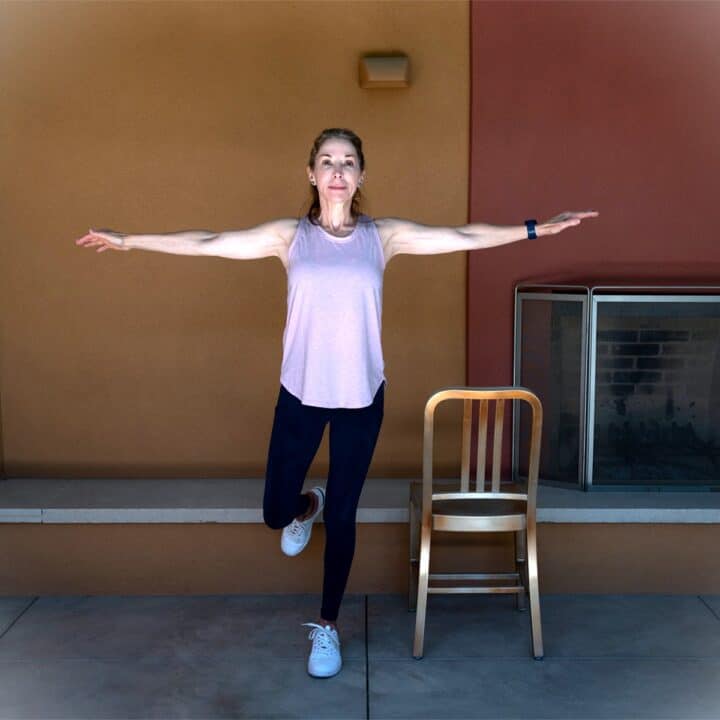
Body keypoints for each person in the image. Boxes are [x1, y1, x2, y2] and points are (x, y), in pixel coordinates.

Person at [75, 127, 598, 678]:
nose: (338, 171)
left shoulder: (383, 236)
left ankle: (326, 627)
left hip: (359, 397)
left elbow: (463, 234)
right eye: (327, 161)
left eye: (348, 162)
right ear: (311, 173)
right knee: (274, 511)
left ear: (361, 175)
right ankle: (306, 506)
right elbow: (210, 241)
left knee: (346, 516)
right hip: (301, 395)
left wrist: (538, 228)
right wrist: (129, 240)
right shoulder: (289, 237)